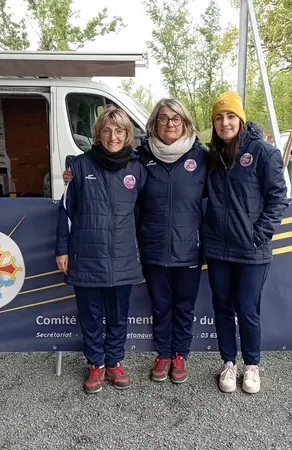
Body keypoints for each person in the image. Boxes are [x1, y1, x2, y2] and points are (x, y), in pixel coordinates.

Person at [64, 98, 208, 384]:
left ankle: (175, 356)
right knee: (156, 307)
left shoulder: (199, 158)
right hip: (140, 249)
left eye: (176, 118)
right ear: (154, 123)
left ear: (185, 122)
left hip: (181, 248)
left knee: (180, 307)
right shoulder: (140, 159)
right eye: (163, 118)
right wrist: (73, 174)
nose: (170, 124)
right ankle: (154, 356)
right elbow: (76, 208)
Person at [202, 91, 289, 395]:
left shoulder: (264, 153)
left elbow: (278, 199)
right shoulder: (211, 155)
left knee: (247, 308)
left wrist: (258, 235)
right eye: (218, 117)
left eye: (230, 116)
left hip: (252, 250)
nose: (224, 123)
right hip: (218, 249)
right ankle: (228, 363)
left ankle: (252, 365)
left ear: (240, 119)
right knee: (222, 307)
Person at [55, 106, 147, 394]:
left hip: (123, 257)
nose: (113, 136)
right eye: (107, 130)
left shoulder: (137, 169)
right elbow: (66, 212)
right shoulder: (80, 167)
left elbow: (144, 214)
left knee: (118, 315)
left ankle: (115, 362)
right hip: (86, 256)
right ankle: (96, 363)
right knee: (91, 315)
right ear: (97, 134)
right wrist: (62, 249)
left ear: (128, 134)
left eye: (119, 130)